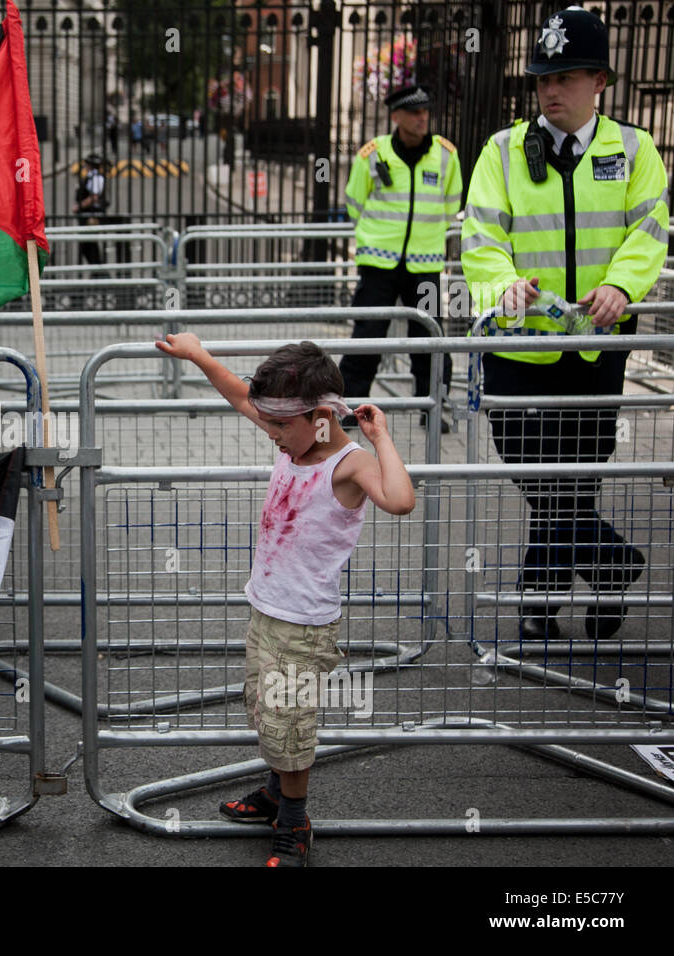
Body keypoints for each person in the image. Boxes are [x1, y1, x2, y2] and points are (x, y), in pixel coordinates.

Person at [154, 334, 415, 866]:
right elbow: (239, 396)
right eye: (269, 422)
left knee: (289, 722)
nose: (269, 432)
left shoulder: (348, 463)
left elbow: (401, 500)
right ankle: (276, 792)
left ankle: (294, 822)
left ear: (320, 416)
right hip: (266, 609)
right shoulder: (296, 436)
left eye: (279, 425)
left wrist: (381, 436)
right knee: (267, 712)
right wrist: (200, 354)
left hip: (304, 623)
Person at [462, 7, 668, 641]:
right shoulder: (502, 150)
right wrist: (502, 287)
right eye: (543, 78)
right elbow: (481, 235)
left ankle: (542, 598)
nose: (550, 90)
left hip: (597, 347)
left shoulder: (634, 148)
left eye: (566, 77)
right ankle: (611, 564)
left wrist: (621, 285)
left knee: (576, 473)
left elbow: (650, 228)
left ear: (600, 80)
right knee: (532, 464)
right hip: (519, 347)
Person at [341, 85, 463, 434]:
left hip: (425, 263)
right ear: (395, 116)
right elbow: (355, 203)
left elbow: (451, 203)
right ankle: (351, 409)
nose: (422, 117)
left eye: (426, 111)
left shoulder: (445, 155)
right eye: (414, 112)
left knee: (430, 338)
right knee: (368, 337)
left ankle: (432, 408)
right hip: (378, 263)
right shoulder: (372, 155)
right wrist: (374, 239)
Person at [73, 153, 106, 265]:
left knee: (89, 245)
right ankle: (97, 273)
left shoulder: (95, 177)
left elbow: (94, 197)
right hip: (87, 214)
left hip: (91, 215)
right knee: (87, 245)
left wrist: (80, 206)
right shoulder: (91, 176)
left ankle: (99, 274)